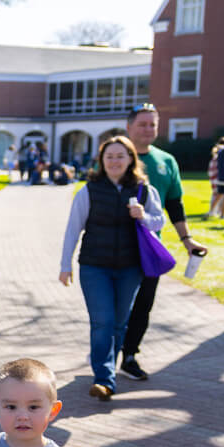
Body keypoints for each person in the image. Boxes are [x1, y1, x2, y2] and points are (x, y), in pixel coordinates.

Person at [59, 135, 165, 401]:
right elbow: (73, 229)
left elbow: (159, 221)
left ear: (131, 159)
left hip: (130, 268)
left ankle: (107, 372)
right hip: (94, 267)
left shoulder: (144, 190)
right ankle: (104, 379)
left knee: (119, 323)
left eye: (120, 156)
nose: (114, 161)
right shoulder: (89, 190)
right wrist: (65, 265)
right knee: (102, 321)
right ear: (101, 160)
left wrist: (143, 215)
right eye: (109, 156)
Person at [121, 103, 209, 381]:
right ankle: (106, 355)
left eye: (153, 124)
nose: (148, 129)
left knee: (143, 304)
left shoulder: (166, 161)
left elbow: (174, 204)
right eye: (142, 124)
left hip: (150, 248)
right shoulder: (115, 155)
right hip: (116, 247)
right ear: (129, 127)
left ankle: (129, 355)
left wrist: (187, 240)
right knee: (115, 306)